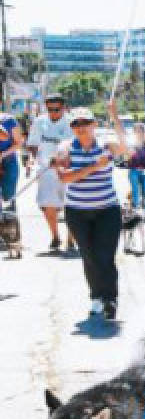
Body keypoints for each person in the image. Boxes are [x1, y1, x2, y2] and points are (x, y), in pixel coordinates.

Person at [55, 103, 128, 319]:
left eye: (85, 122)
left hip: (107, 209)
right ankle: (96, 296)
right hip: (77, 211)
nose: (81, 127)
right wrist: (94, 167)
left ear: (94, 124)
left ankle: (110, 299)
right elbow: (65, 177)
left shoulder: (107, 144)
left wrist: (114, 115)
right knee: (88, 256)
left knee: (105, 256)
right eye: (76, 123)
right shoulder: (65, 147)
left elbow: (126, 148)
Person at [25, 92, 76, 252]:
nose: (53, 113)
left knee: (72, 205)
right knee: (47, 205)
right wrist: (31, 159)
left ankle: (71, 238)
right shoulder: (40, 122)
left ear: (64, 108)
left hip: (69, 169)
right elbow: (32, 143)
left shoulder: (72, 122)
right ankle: (55, 236)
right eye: (50, 109)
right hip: (46, 169)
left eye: (57, 109)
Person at [125, 123, 145, 211]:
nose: (138, 132)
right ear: (134, 132)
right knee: (135, 190)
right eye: (136, 131)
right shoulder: (130, 143)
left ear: (144, 132)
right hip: (134, 170)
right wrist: (128, 154)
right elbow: (126, 158)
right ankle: (135, 211)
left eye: (140, 130)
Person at [0, 109, 24, 210]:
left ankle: (9, 213)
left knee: (8, 194)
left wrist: (2, 154)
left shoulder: (8, 120)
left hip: (8, 159)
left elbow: (18, 142)